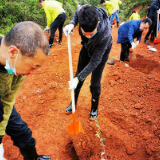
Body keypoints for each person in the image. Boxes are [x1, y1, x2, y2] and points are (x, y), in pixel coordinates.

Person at [0, 21, 51, 160]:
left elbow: (8, 100)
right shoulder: (17, 62)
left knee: (22, 132)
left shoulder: (16, 65)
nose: (33, 73)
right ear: (13, 52)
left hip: (2, 104)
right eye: (33, 67)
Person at [63, 5, 112, 120]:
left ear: (98, 23)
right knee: (78, 75)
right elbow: (77, 12)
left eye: (92, 34)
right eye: (85, 34)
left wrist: (79, 78)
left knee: (95, 82)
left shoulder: (105, 35)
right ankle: (73, 103)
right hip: (86, 47)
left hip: (101, 52)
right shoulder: (83, 11)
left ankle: (94, 108)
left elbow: (95, 61)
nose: (89, 36)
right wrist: (72, 23)